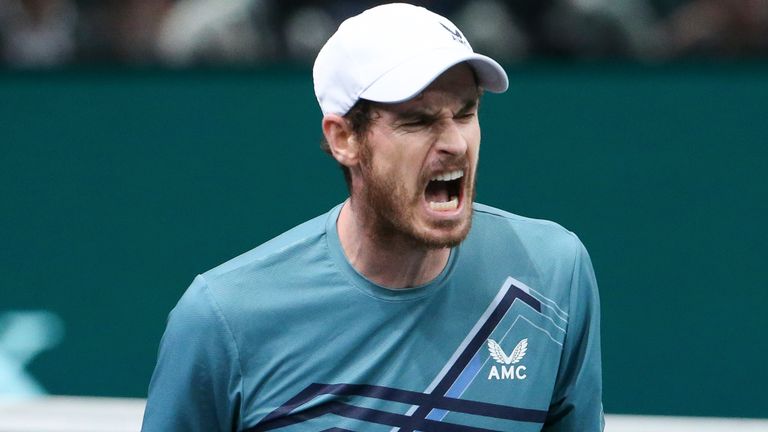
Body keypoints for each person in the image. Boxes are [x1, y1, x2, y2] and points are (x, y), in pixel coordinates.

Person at [141, 3, 603, 431]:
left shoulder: (553, 272)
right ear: (344, 138)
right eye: (417, 121)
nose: (456, 143)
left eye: (467, 113)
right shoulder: (223, 320)